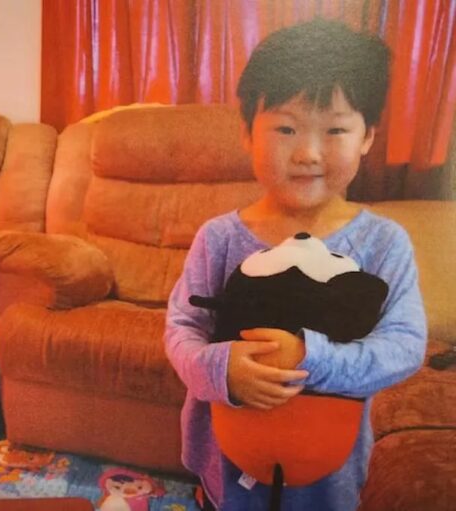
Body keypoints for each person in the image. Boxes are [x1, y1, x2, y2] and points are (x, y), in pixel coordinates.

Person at [164, 18, 427, 511]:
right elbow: (183, 327)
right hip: (228, 463)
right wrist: (220, 367)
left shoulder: (383, 243)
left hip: (329, 474)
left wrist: (310, 358)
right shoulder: (219, 238)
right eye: (285, 128)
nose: (307, 153)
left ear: (367, 136)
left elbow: (405, 346)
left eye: (335, 129)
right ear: (247, 133)